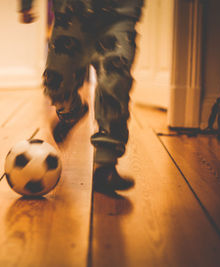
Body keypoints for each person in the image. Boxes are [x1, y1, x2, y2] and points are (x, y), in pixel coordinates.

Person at [19, 0, 144, 193]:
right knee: (56, 81)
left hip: (119, 15)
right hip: (70, 14)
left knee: (115, 83)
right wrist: (25, 4)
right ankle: (71, 111)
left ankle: (105, 164)